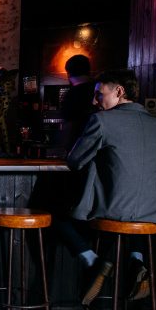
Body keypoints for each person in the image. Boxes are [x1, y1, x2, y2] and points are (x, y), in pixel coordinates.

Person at [68, 69, 156, 305]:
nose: (95, 101)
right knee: (134, 213)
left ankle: (93, 260)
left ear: (119, 91)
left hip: (115, 208)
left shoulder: (102, 121)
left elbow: (75, 161)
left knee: (58, 214)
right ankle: (136, 261)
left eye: (99, 94)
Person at [49, 55, 98, 279]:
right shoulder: (98, 92)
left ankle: (89, 256)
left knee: (54, 209)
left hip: (79, 167)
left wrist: (59, 151)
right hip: (102, 171)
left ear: (67, 73)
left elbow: (68, 130)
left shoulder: (73, 94)